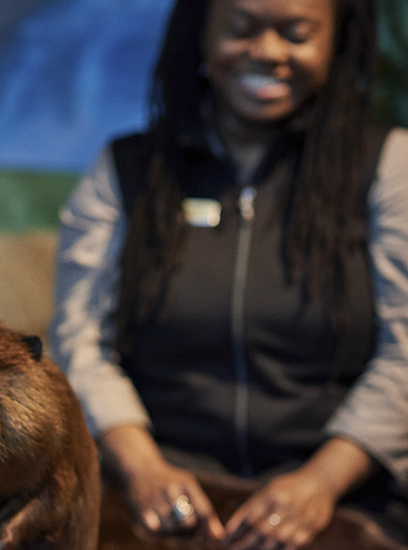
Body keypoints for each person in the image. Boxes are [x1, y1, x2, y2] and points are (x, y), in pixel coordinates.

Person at [50, 0, 408, 548]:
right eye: (241, 30)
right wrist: (144, 470)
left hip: (342, 494)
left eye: (297, 34)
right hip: (157, 483)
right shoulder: (127, 171)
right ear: (200, 37)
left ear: (335, 44)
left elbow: (404, 354)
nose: (267, 52)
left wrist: (318, 485)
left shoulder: (389, 166)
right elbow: (80, 342)